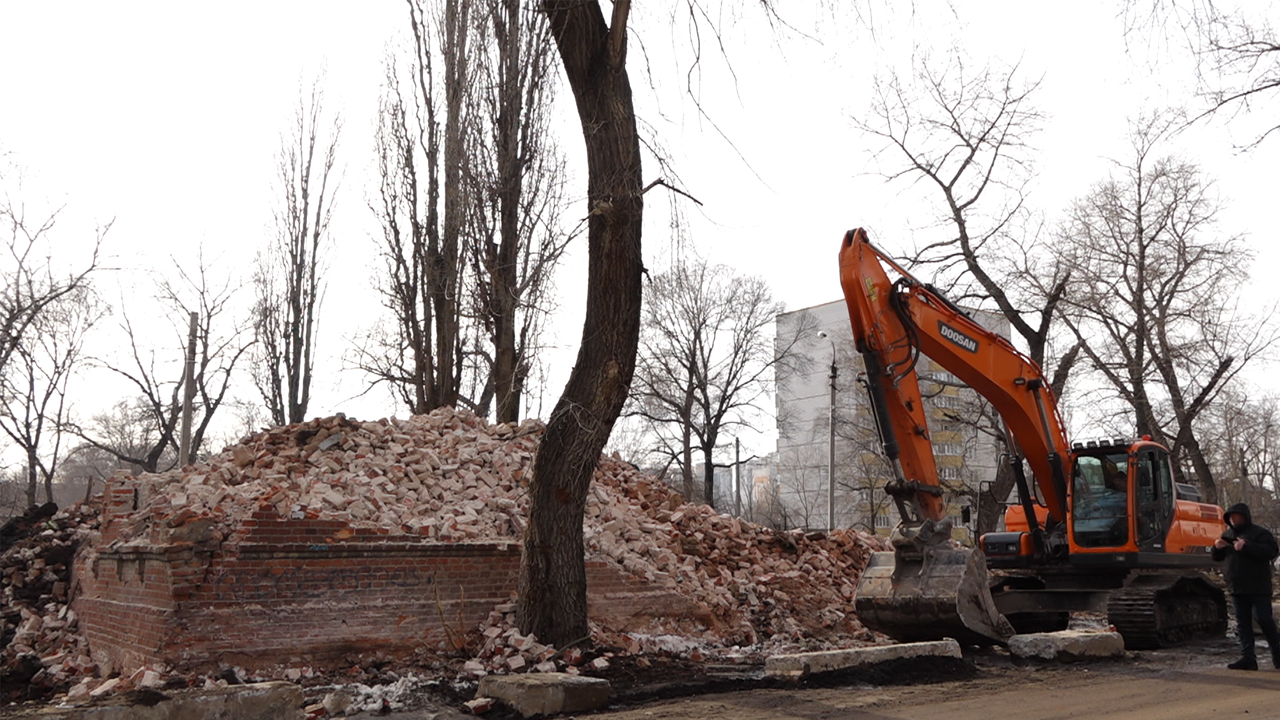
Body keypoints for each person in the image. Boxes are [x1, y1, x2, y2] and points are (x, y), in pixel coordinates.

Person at [1212, 502, 1280, 671]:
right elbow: (1217, 558)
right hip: (1237, 586)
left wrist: (1247, 546)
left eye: (1237, 516)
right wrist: (1216, 548)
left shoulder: (1260, 533)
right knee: (1242, 623)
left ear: (1245, 516)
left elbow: (1271, 551)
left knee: (1263, 618)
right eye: (1231, 517)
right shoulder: (1227, 534)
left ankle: (1278, 654)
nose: (1234, 520)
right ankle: (1248, 657)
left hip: (1258, 586)